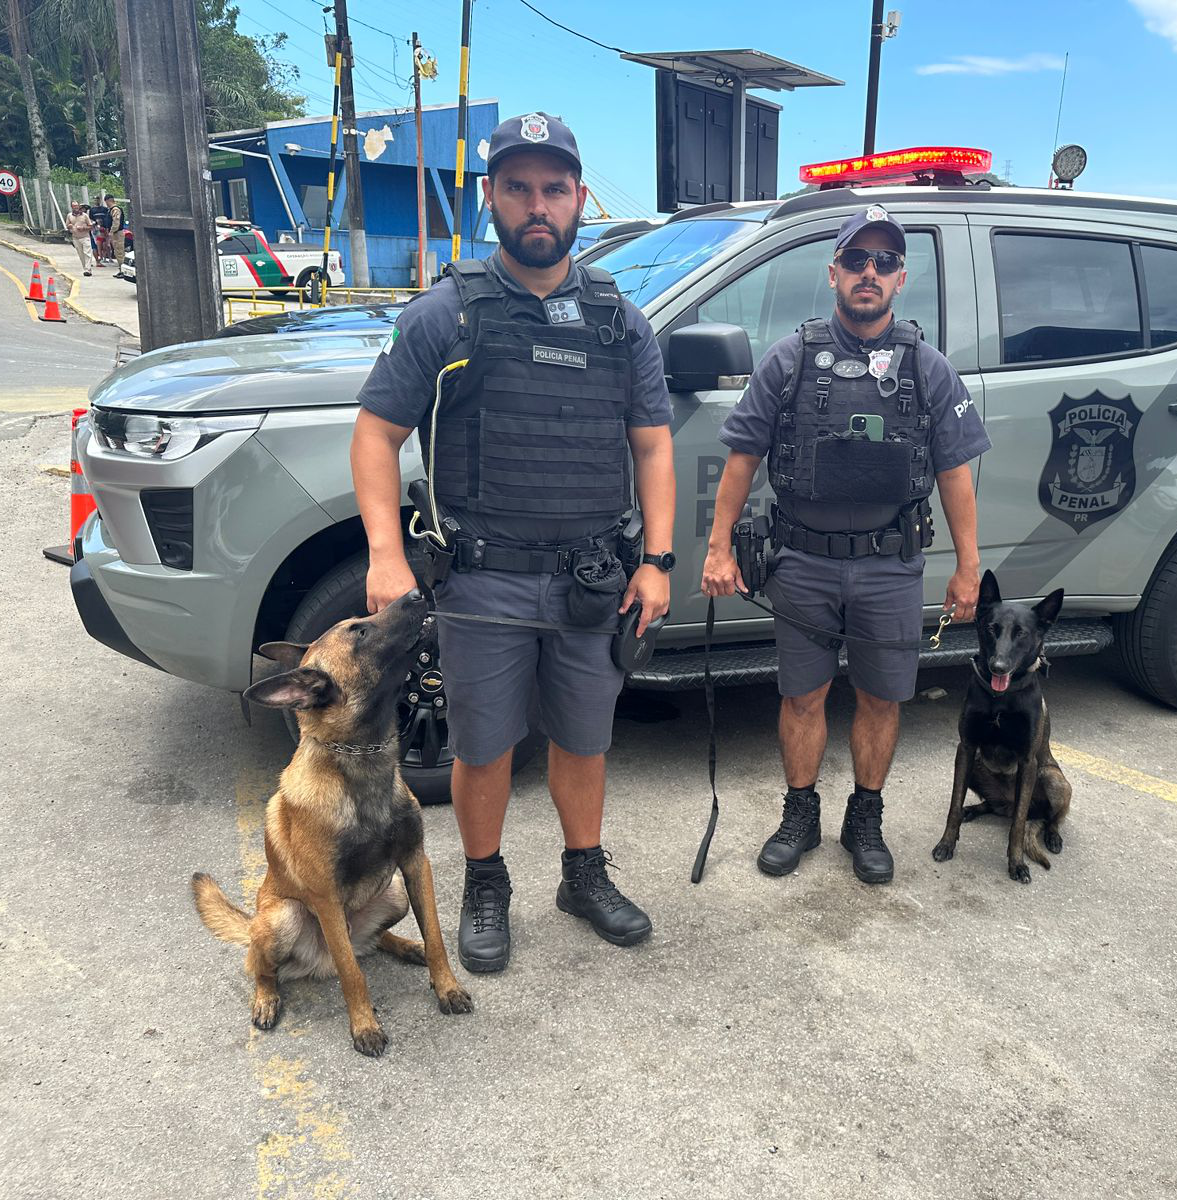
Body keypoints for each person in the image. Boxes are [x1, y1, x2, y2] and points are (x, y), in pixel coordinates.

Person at [351, 112, 675, 972]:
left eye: (555, 189)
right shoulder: (447, 314)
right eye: (520, 188)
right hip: (483, 582)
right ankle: (484, 884)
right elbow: (375, 431)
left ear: (578, 199)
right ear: (492, 197)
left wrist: (658, 562)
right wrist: (386, 553)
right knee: (485, 749)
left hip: (591, 580)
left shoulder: (619, 324)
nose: (540, 205)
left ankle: (582, 874)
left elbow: (652, 444)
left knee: (584, 741)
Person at [701, 206, 990, 885]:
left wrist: (969, 568)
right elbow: (741, 458)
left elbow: (955, 473)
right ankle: (800, 814)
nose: (870, 273)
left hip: (889, 566)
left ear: (901, 279)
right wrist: (718, 549)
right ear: (833, 272)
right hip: (802, 562)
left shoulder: (928, 367)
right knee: (801, 696)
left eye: (884, 262)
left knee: (881, 699)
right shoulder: (790, 358)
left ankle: (866, 817)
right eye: (856, 260)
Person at [65, 203, 93, 276]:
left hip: (85, 237)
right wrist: (69, 226)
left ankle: (88, 269)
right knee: (81, 254)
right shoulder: (69, 216)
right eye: (74, 206)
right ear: (72, 207)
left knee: (87, 253)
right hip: (76, 238)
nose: (76, 207)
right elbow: (67, 225)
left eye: (77, 206)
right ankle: (85, 268)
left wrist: (83, 228)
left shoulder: (85, 216)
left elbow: (90, 226)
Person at [87, 196, 110, 265]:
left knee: (106, 244)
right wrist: (95, 225)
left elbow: (107, 218)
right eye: (95, 200)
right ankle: (100, 259)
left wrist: (106, 227)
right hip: (96, 229)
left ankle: (106, 257)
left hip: (104, 228)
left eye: (97, 199)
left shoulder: (105, 209)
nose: (96, 201)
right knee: (97, 244)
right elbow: (90, 219)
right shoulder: (92, 210)